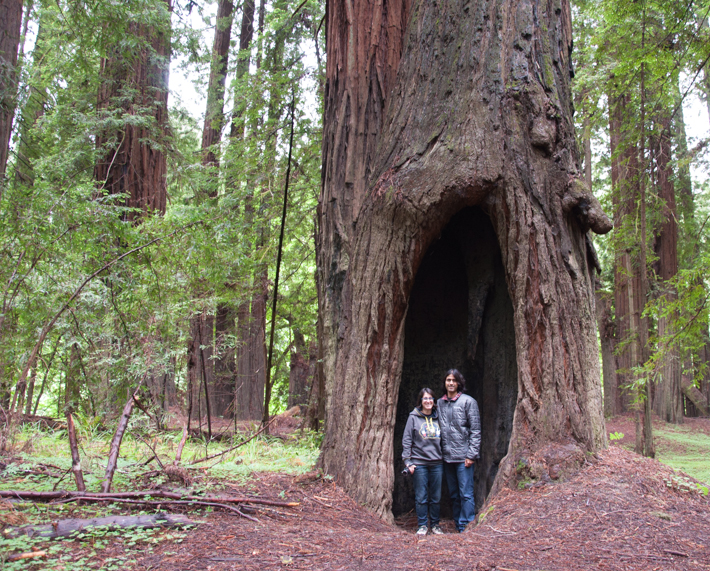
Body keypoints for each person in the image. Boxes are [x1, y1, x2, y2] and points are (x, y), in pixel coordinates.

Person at [437, 369, 480, 532]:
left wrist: (471, 455)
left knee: (466, 493)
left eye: (454, 380)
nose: (450, 383)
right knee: (454, 494)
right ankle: (457, 522)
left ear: (459, 383)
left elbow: (475, 430)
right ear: (445, 383)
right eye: (448, 380)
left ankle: (466, 525)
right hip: (447, 457)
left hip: (463, 457)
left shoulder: (468, 402)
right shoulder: (440, 403)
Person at [402, 388, 444, 536]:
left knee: (436, 496)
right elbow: (407, 440)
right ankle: (422, 525)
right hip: (419, 462)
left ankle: (435, 524)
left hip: (437, 462)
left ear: (434, 401)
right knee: (421, 496)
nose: (428, 401)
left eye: (431, 398)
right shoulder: (413, 417)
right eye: (425, 399)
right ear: (420, 401)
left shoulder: (439, 417)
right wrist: (408, 461)